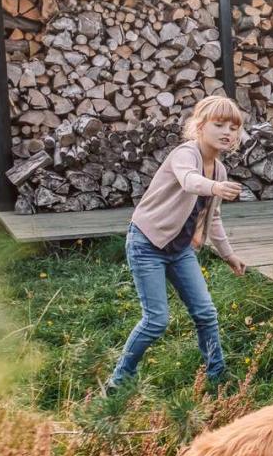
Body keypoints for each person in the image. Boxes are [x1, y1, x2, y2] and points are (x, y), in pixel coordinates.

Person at [106, 95, 248, 392]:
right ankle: (119, 380)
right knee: (156, 320)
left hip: (180, 250)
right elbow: (189, 181)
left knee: (206, 312)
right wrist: (215, 187)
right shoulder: (185, 155)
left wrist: (229, 255)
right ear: (199, 126)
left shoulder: (219, 170)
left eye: (233, 128)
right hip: (147, 244)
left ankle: (217, 375)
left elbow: (214, 217)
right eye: (219, 125)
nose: (227, 132)